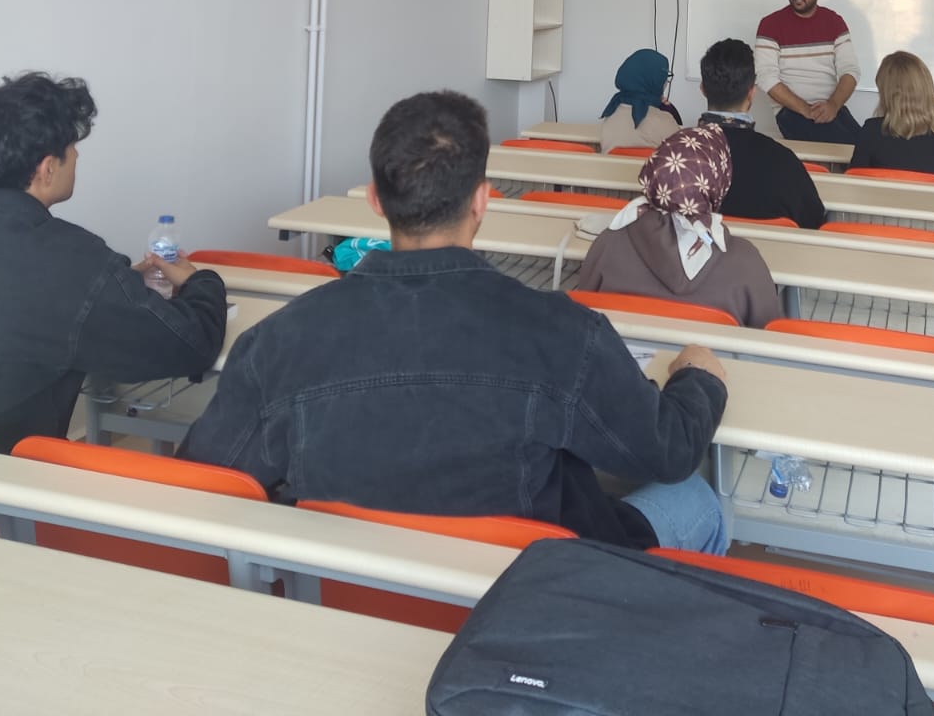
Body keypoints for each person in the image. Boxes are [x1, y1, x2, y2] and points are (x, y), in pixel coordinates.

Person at [183, 90, 729, 554]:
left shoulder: (278, 339)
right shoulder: (565, 333)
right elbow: (668, 452)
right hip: (523, 595)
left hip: (350, 592)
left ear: (375, 201)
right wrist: (698, 377)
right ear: (483, 201)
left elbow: (205, 478)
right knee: (694, 498)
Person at [0, 72, 227, 453]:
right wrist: (200, 282)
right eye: (72, 147)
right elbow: (190, 344)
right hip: (13, 477)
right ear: (47, 169)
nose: (78, 156)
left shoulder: (74, 269)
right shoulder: (69, 260)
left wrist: (115, 284)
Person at [579, 124, 781, 328]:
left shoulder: (608, 243)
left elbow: (580, 314)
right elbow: (771, 334)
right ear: (720, 182)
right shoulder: (746, 263)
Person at [697, 39, 826, 228]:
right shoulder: (783, 161)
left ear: (703, 90)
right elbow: (813, 223)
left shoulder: (674, 153)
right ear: (752, 93)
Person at [754, 0, 862, 145]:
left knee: (866, 147)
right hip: (791, 111)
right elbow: (766, 77)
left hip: (830, 107)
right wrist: (806, 109)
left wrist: (833, 105)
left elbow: (850, 70)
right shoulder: (770, 25)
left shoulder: (834, 22)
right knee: (846, 148)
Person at [850, 51, 934, 186]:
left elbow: (854, 185)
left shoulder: (871, 131)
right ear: (927, 88)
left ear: (887, 94)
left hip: (883, 199)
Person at [599, 49, 681, 153]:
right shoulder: (666, 122)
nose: (665, 82)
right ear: (654, 81)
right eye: (664, 77)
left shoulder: (609, 117)